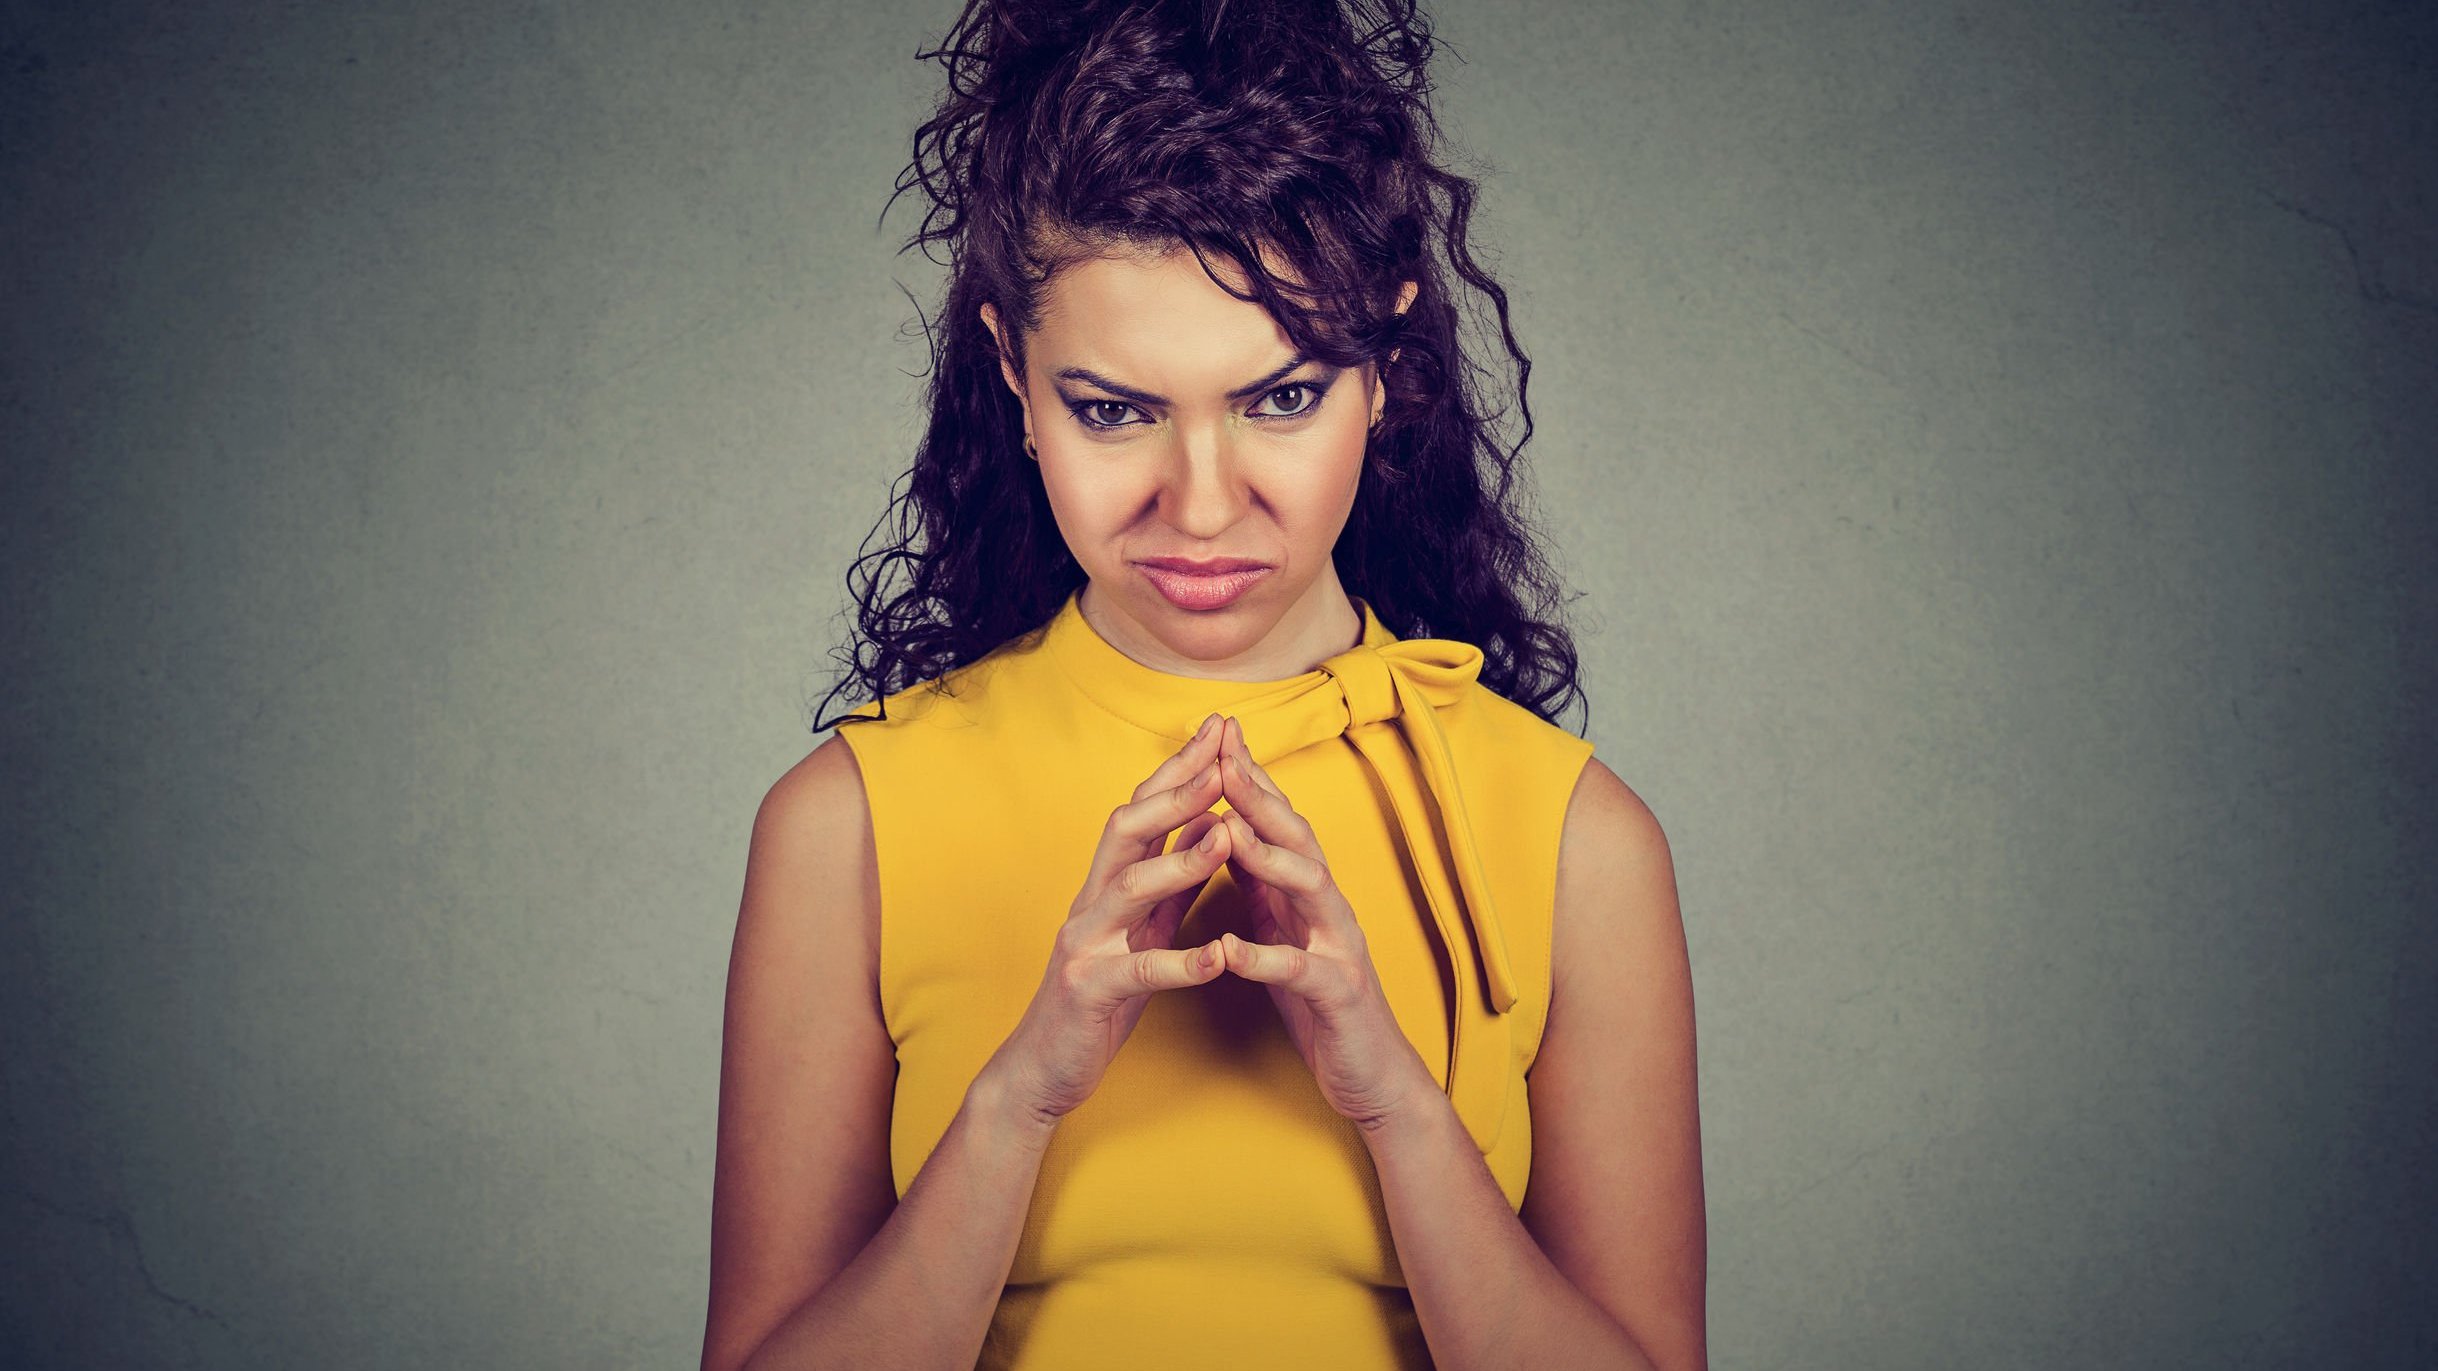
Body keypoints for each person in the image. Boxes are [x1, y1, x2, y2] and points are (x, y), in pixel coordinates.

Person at [700, 1, 1704, 1366]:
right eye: (1114, 410)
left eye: (1277, 399)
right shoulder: (848, 825)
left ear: (1384, 371)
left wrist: (1395, 1103)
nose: (1202, 505)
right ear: (1011, 369)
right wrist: (1019, 1096)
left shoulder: (1577, 839)